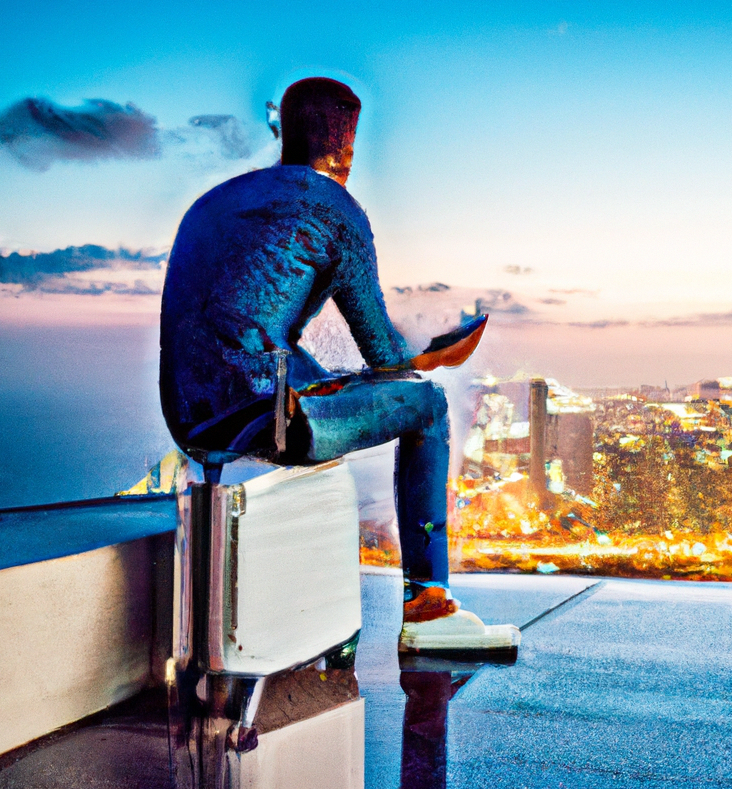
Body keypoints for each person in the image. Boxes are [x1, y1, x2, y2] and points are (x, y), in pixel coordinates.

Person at [159, 77, 517, 653]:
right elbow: (384, 356)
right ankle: (428, 608)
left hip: (190, 416)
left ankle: (321, 617)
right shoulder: (336, 208)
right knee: (428, 405)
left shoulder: (215, 202)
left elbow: (243, 333)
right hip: (264, 415)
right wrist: (433, 357)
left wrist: (396, 364)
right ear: (344, 145)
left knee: (316, 373)